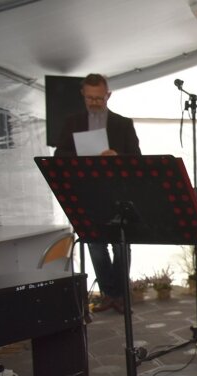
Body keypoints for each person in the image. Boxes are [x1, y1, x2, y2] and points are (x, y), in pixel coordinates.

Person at [54, 73, 141, 314]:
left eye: (99, 98)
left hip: (118, 193)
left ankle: (119, 295)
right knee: (95, 245)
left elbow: (137, 159)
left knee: (121, 245)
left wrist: (118, 158)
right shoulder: (72, 123)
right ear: (83, 95)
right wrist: (83, 157)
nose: (94, 102)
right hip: (87, 193)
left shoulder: (122, 124)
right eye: (90, 98)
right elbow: (59, 157)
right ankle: (110, 294)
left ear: (108, 95)